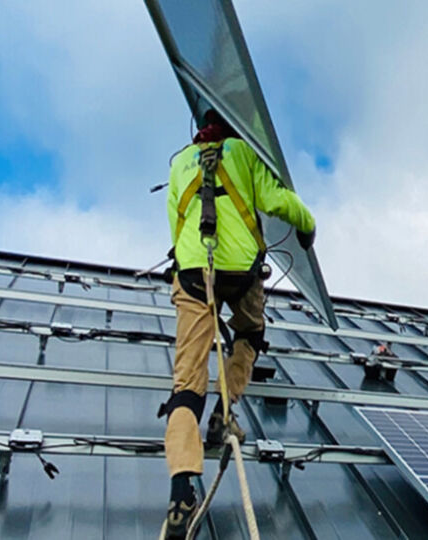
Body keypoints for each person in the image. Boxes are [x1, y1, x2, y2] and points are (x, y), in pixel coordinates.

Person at [161, 109, 315, 538]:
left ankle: (181, 485)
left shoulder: (179, 163)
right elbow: (276, 200)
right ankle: (223, 413)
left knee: (185, 385)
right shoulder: (246, 152)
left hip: (193, 274)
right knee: (250, 332)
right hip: (240, 273)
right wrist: (308, 225)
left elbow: (175, 221)